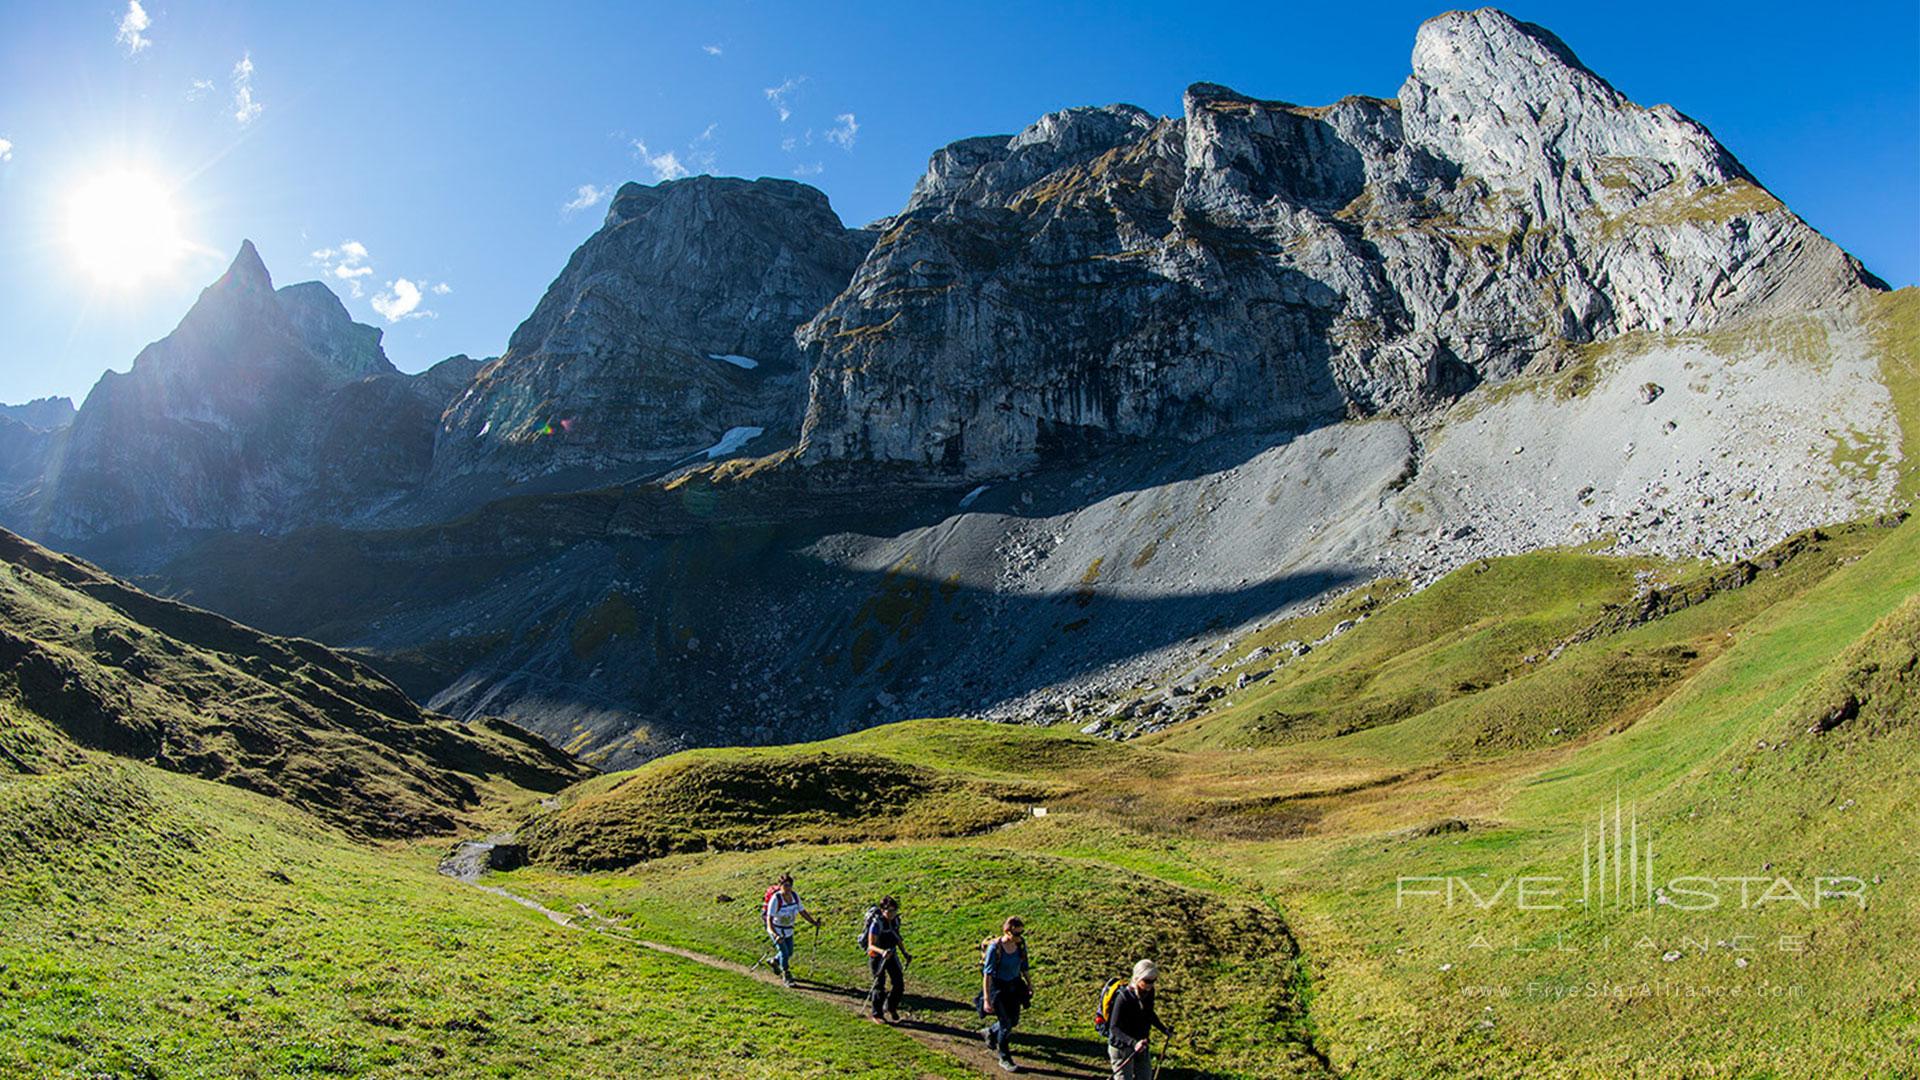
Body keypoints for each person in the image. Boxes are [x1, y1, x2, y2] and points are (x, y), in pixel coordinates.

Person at [1106, 959, 1175, 1080]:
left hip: (1142, 1044)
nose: (1151, 985)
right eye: (1147, 981)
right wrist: (1134, 1043)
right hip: (1121, 1048)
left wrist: (1164, 1029)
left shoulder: (1149, 992)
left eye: (1154, 981)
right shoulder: (1123, 998)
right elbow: (1114, 1028)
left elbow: (1148, 1013)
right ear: (1137, 978)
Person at [980, 916, 1031, 1073]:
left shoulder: (1020, 945)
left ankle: (989, 1031)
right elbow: (987, 975)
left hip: (1014, 986)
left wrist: (1030, 984)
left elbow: (1024, 965)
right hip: (998, 988)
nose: (1019, 937)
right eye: (1016, 934)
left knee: (1014, 1021)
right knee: (1006, 1024)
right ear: (1007, 932)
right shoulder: (995, 948)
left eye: (1021, 933)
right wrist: (987, 1000)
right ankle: (1004, 1058)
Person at [763, 873, 822, 987]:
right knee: (784, 953)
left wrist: (814, 922)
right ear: (780, 886)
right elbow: (769, 920)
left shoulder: (795, 896)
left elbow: (802, 911)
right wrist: (775, 935)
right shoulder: (776, 899)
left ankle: (774, 961)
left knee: (789, 952)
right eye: (785, 885)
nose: (787, 888)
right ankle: (786, 975)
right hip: (777, 930)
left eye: (789, 885)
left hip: (788, 930)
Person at [863, 896, 911, 1023]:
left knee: (899, 983)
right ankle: (877, 1014)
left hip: (891, 954)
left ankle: (891, 1006)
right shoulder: (876, 924)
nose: (891, 914)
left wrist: (904, 952)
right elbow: (871, 945)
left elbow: (897, 937)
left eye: (894, 911)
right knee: (879, 984)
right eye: (889, 911)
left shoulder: (895, 921)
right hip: (877, 956)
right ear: (882, 910)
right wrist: (882, 952)